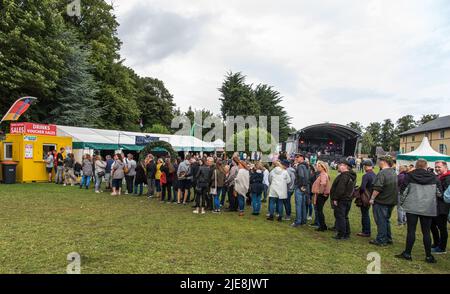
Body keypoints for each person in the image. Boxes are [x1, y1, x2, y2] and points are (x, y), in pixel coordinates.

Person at [396, 159, 438, 263]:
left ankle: (407, 253)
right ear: (426, 166)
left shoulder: (409, 176)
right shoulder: (433, 177)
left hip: (412, 207)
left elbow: (403, 192)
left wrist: (401, 204)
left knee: (411, 231)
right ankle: (428, 256)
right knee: (426, 232)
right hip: (427, 207)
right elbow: (439, 193)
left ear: (416, 166)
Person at [369, 156, 398, 246]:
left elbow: (378, 187)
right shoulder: (393, 172)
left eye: (380, 160)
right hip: (391, 201)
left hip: (382, 201)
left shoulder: (382, 173)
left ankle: (381, 239)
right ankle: (388, 238)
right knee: (386, 220)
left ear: (384, 162)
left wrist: (372, 198)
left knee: (381, 220)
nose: (378, 162)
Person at [330, 160, 356, 240]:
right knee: (344, 216)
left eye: (341, 165)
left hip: (342, 199)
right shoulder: (349, 175)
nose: (339, 166)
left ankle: (341, 234)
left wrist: (335, 198)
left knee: (340, 216)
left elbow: (340, 189)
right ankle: (346, 233)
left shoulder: (345, 176)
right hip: (347, 199)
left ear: (345, 166)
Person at [431, 161, 450, 254]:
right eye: (436, 167)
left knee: (442, 227)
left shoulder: (448, 178)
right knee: (432, 225)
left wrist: (436, 193)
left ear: (445, 167)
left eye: (439, 167)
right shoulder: (439, 177)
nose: (437, 169)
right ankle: (436, 243)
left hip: (443, 208)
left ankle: (442, 247)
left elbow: (446, 195)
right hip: (436, 206)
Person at [357, 160, 376, 237]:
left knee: (365, 214)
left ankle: (366, 231)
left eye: (364, 166)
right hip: (371, 196)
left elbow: (362, 188)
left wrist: (359, 193)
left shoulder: (366, 176)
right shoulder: (375, 175)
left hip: (365, 196)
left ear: (365, 166)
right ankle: (366, 230)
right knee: (366, 214)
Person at [311, 161, 331, 231]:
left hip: (321, 195)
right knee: (319, 210)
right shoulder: (323, 174)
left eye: (319, 166)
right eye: (317, 166)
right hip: (322, 194)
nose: (317, 167)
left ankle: (322, 226)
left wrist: (320, 192)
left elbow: (323, 184)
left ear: (323, 167)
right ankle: (323, 226)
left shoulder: (323, 174)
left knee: (319, 211)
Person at [291, 154, 310, 227]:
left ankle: (298, 221)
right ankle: (303, 220)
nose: (296, 158)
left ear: (302, 158)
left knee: (298, 205)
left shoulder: (300, 166)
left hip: (300, 187)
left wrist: (302, 186)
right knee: (303, 205)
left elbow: (301, 176)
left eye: (297, 157)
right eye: (296, 157)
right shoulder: (307, 166)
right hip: (305, 187)